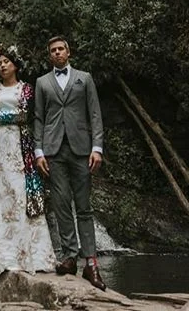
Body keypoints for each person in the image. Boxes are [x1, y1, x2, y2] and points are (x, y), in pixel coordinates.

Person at [0, 45, 56, 274]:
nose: (2, 65)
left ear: (15, 64)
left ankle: (26, 257)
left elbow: (24, 115)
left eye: (6, 61)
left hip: (18, 146)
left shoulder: (26, 90)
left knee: (18, 194)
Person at [33, 35, 106, 291]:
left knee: (84, 207)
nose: (57, 53)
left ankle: (91, 263)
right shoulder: (42, 82)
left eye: (61, 49)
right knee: (62, 205)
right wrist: (39, 152)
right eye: (53, 50)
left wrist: (97, 148)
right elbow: (39, 119)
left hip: (81, 150)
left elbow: (95, 114)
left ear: (69, 52)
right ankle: (69, 257)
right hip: (53, 151)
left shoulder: (84, 78)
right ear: (49, 55)